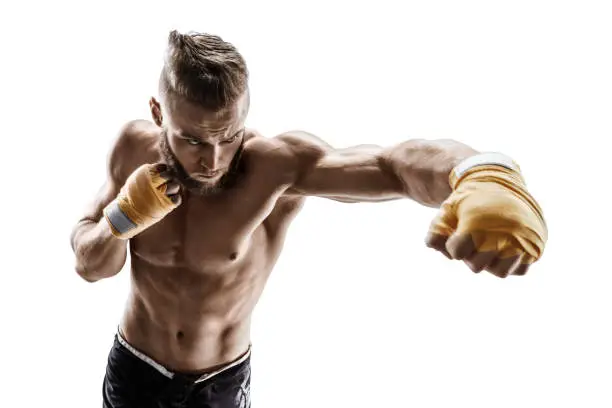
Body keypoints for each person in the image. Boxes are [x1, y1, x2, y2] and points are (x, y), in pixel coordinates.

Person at [70, 30, 548, 408]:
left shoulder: (273, 168)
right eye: (192, 140)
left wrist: (478, 171)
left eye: (228, 136)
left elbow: (391, 166)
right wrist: (121, 219)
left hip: (218, 385)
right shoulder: (132, 149)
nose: (212, 159)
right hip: (135, 370)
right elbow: (90, 265)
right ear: (158, 113)